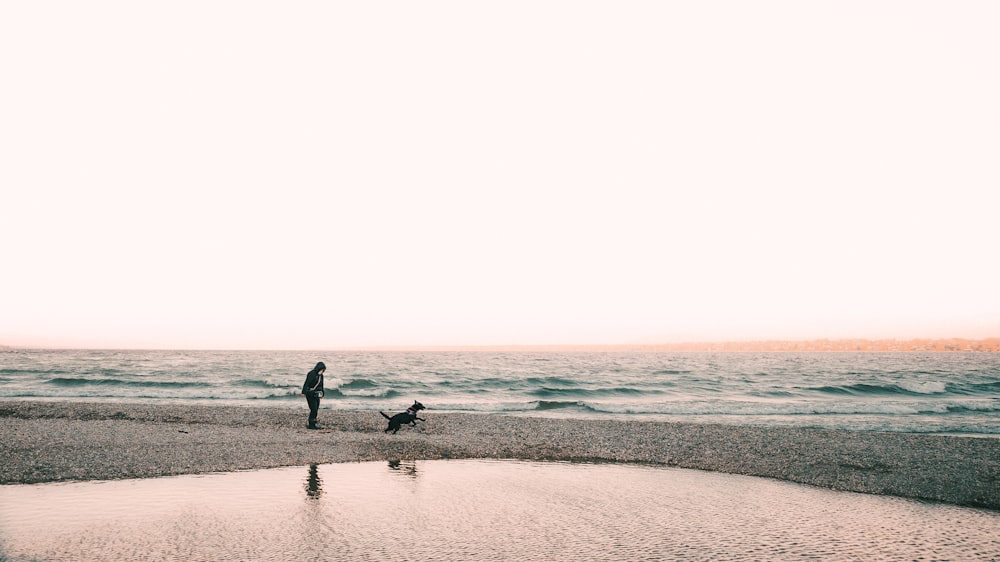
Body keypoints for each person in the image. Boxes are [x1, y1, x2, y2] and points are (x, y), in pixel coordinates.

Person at [301, 361, 326, 429]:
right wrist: (303, 392)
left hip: (316, 394)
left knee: (316, 408)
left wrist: (322, 393)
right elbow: (306, 383)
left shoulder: (321, 376)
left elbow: (321, 385)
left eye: (323, 370)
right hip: (310, 393)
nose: (322, 371)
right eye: (321, 369)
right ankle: (311, 424)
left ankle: (313, 422)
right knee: (313, 409)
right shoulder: (311, 374)